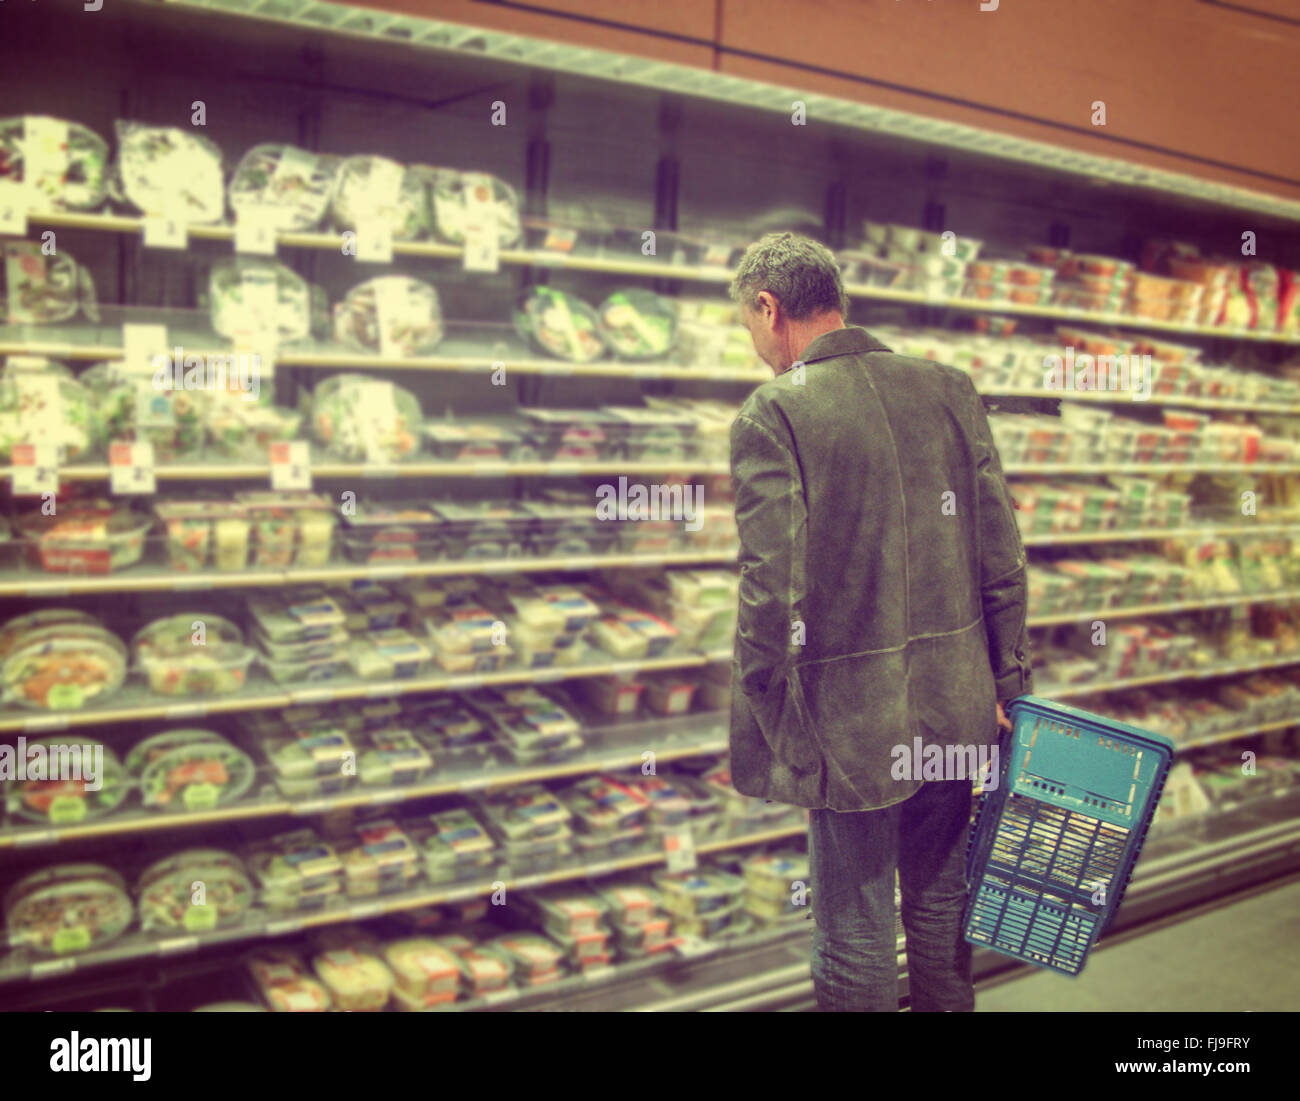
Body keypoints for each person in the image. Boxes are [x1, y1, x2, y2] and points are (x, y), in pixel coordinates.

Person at [726, 232, 1032, 1012]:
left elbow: (772, 588)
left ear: (770, 308)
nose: (756, 345)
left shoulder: (775, 412)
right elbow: (1000, 552)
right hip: (956, 706)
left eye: (749, 324)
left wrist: (771, 710)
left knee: (855, 934)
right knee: (938, 907)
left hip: (850, 727)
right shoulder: (950, 388)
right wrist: (1007, 682)